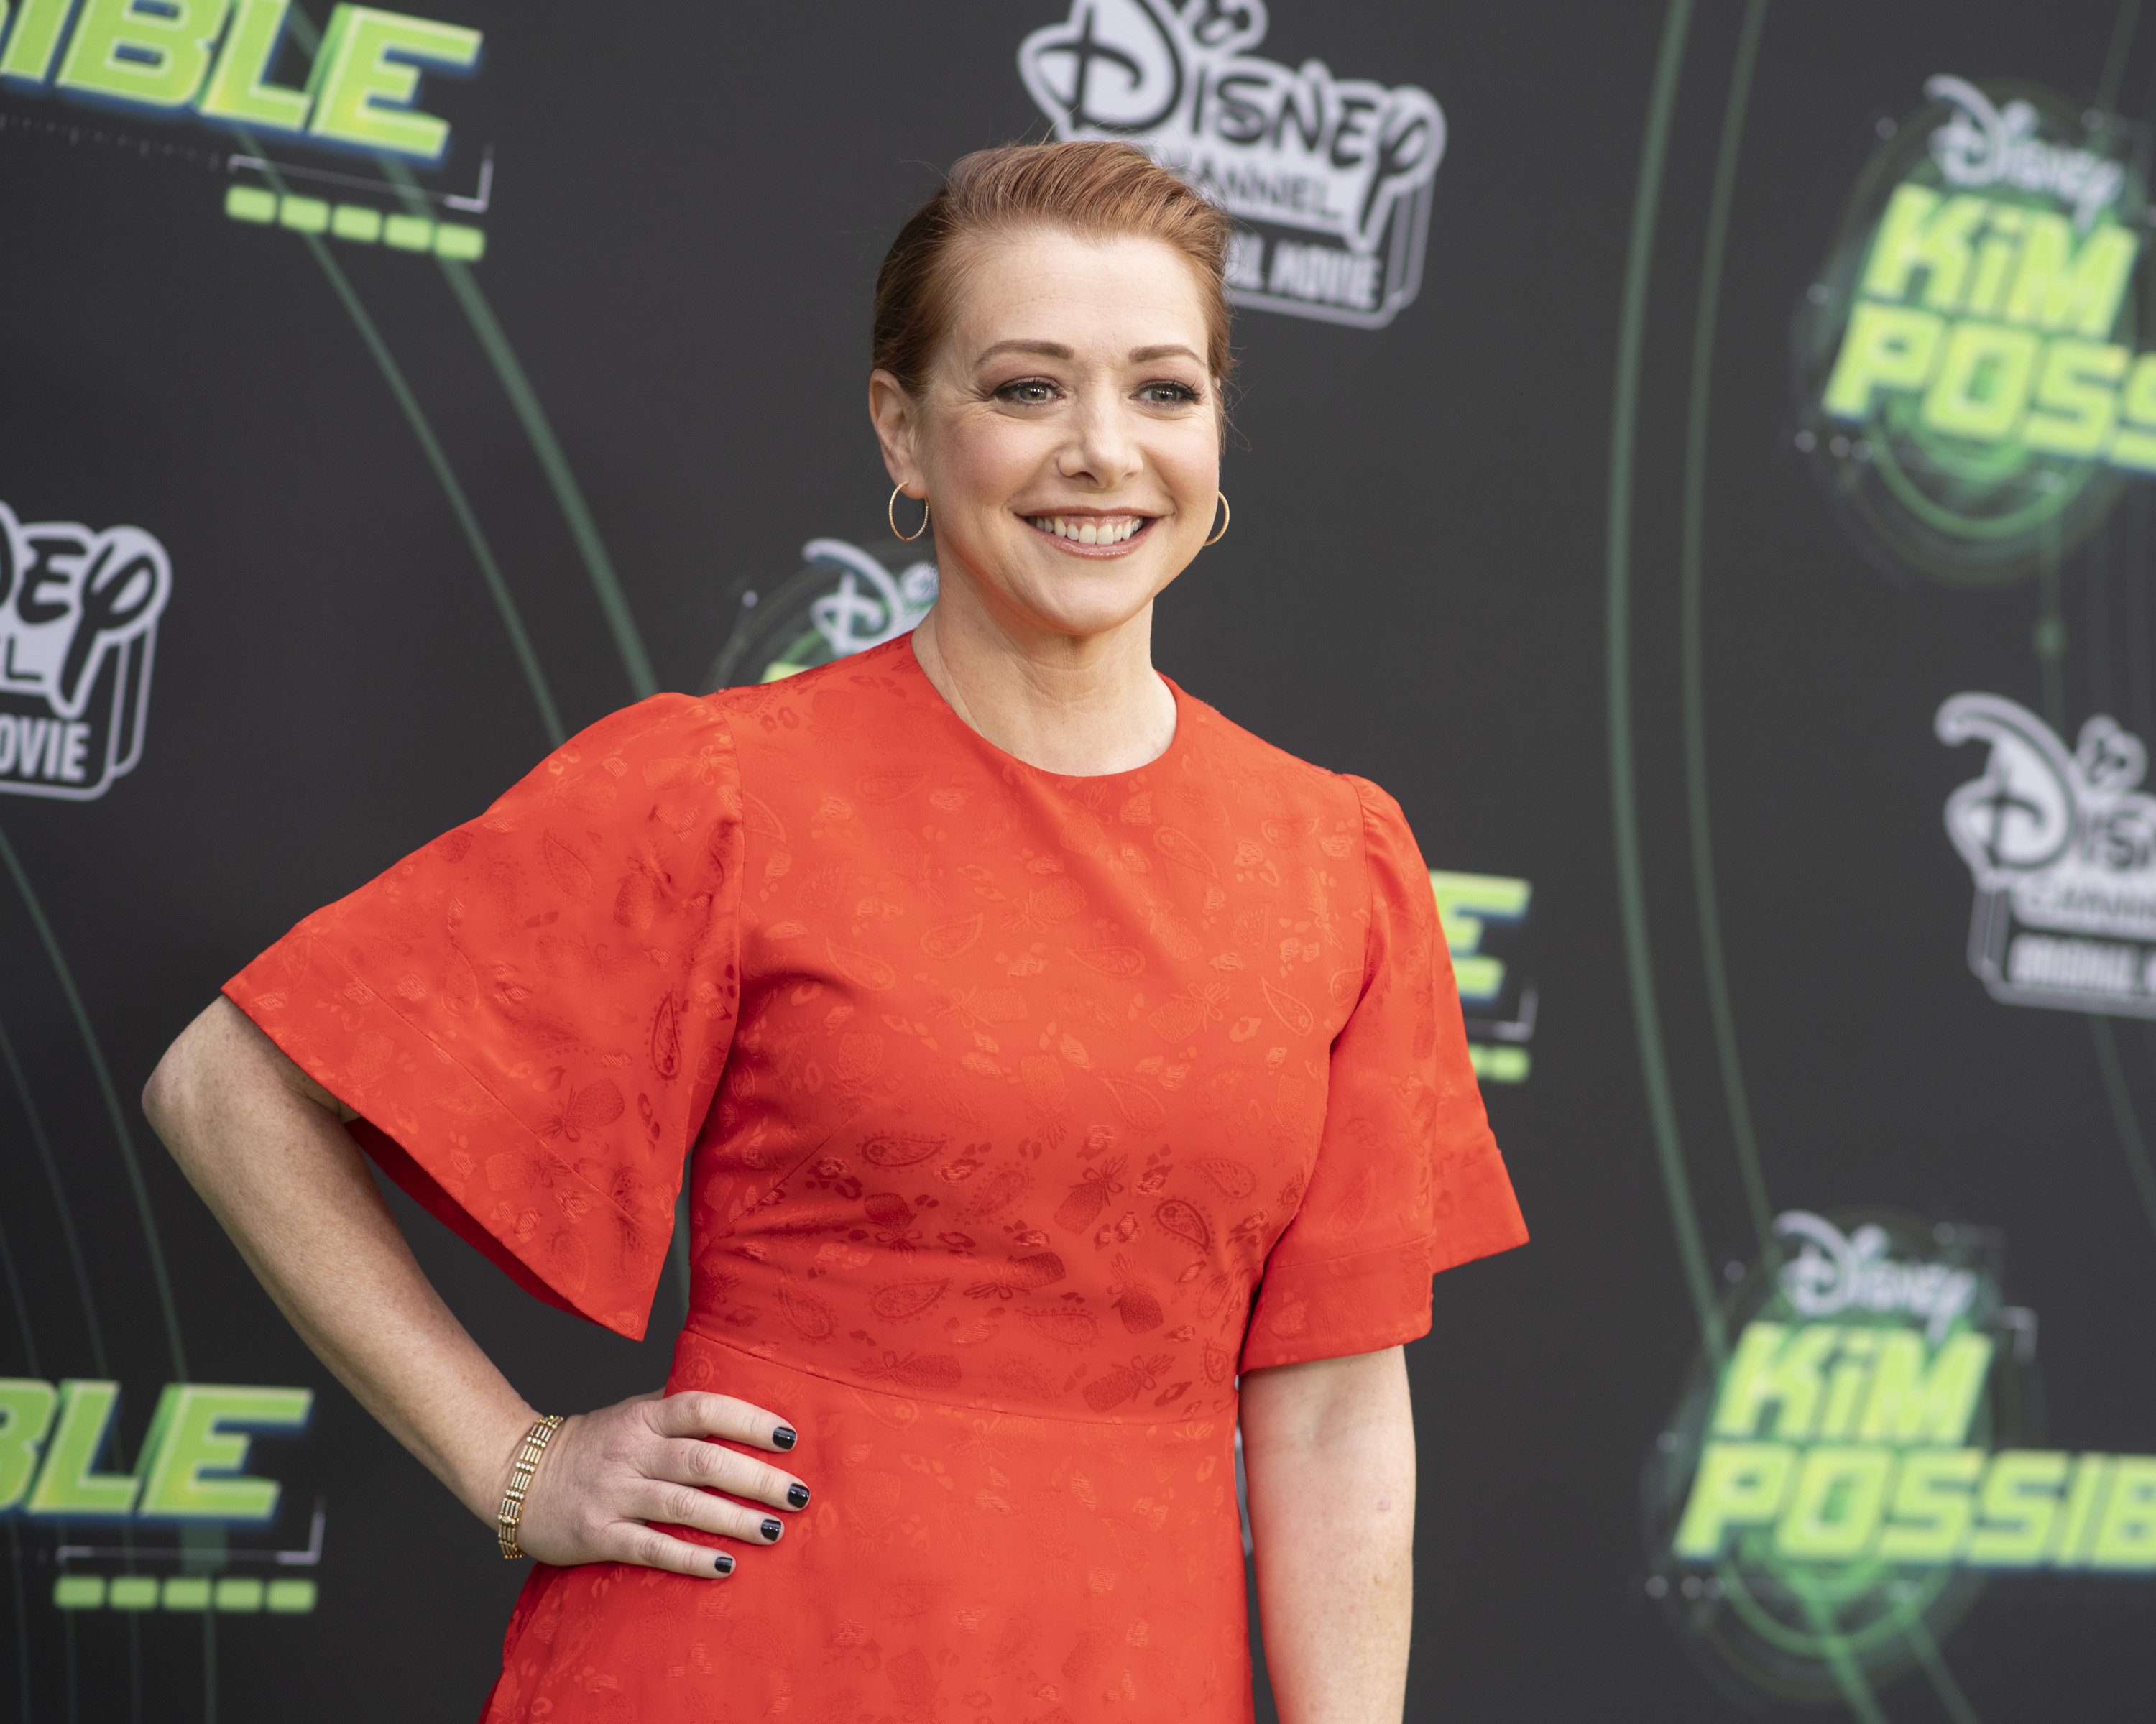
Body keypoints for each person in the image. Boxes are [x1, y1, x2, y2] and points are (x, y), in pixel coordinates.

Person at [144, 140, 1526, 1723]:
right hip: (746, 1657)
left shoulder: (1338, 859)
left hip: (1136, 1668)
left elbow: (1336, 1405)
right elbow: (224, 1088)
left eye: (1163, 390)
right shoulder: (726, 792)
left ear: (1215, 435)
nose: (1102, 451)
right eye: (1026, 389)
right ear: (903, 430)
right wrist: (514, 1462)